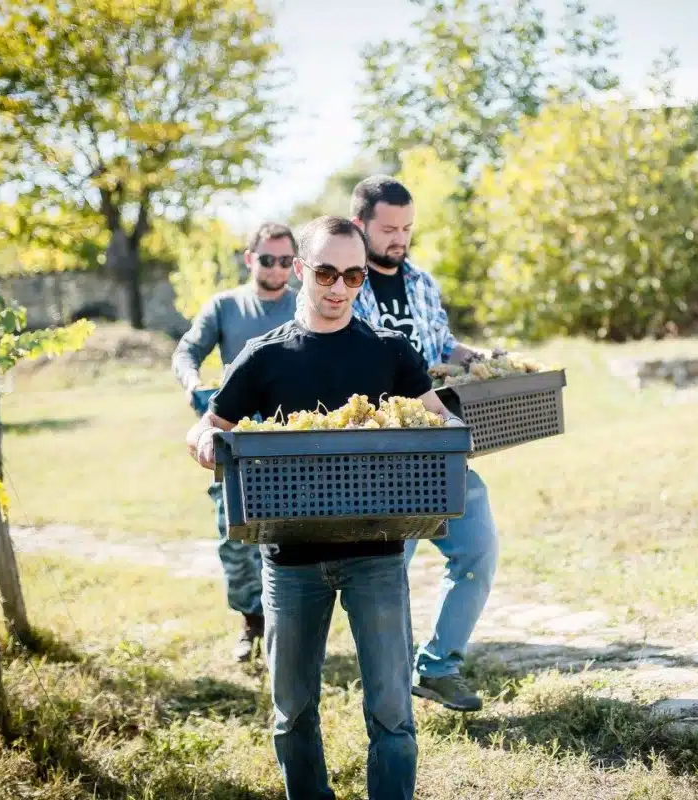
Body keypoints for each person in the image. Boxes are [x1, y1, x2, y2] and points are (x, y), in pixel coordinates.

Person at [186, 215, 461, 800]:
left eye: (355, 275)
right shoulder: (265, 357)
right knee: (292, 712)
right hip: (290, 561)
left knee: (392, 712)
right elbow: (206, 426)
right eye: (327, 273)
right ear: (301, 272)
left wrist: (454, 427)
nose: (340, 288)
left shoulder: (390, 353)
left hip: (378, 555)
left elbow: (437, 418)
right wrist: (206, 441)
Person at [349, 175, 500, 713]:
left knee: (477, 552)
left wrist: (476, 356)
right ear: (360, 224)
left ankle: (438, 668)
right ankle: (387, 691)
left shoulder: (421, 281)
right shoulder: (343, 282)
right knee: (388, 578)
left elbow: (439, 343)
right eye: (388, 229)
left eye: (407, 228)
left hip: (439, 445)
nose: (400, 238)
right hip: (383, 457)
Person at [171, 222, 299, 662]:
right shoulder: (225, 306)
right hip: (234, 438)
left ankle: (286, 625)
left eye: (286, 261)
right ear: (250, 259)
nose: (277, 269)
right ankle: (251, 620)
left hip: (289, 440)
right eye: (268, 259)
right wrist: (192, 383)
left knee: (287, 533)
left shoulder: (305, 307)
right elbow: (187, 351)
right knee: (235, 533)